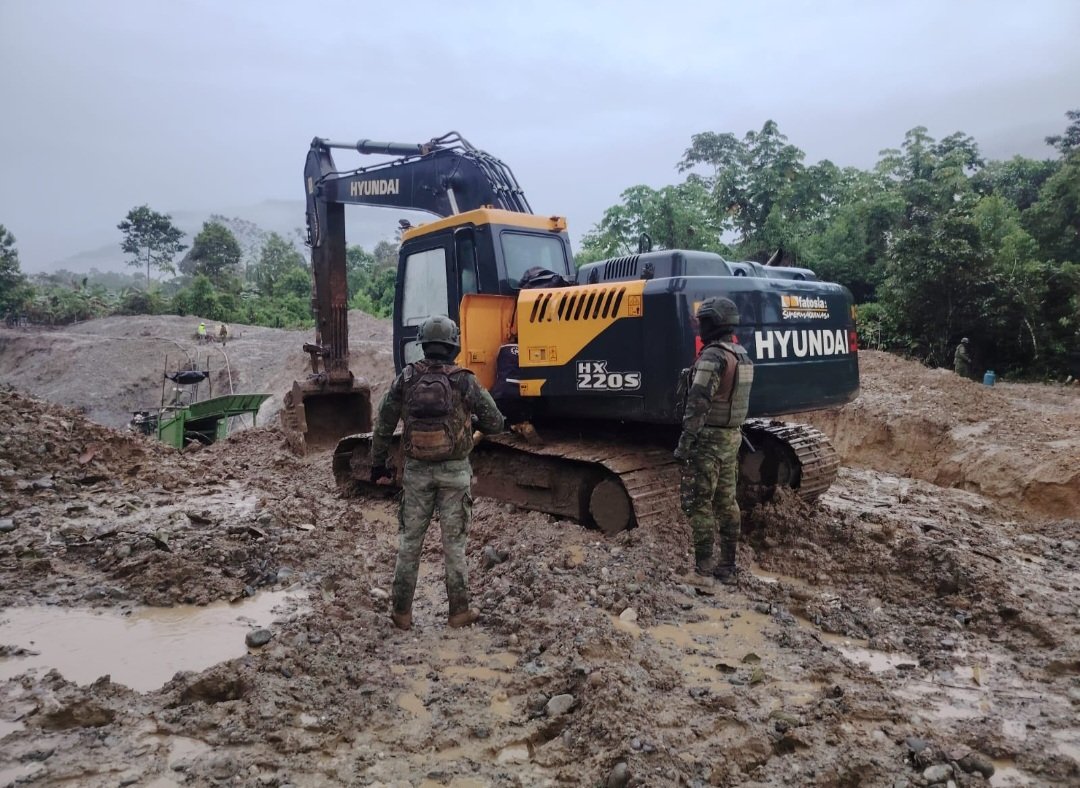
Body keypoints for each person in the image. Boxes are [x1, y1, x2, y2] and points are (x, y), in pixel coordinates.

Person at [370, 315, 505, 631]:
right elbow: (496, 423)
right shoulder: (464, 380)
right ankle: (459, 612)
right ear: (453, 344)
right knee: (454, 547)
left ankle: (401, 613)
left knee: (409, 544)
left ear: (423, 344)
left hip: (416, 474)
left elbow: (384, 423)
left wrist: (377, 462)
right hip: (455, 475)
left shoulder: (406, 378)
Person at [674, 297, 755, 586]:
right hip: (732, 437)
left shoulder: (713, 356)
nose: (700, 328)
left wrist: (685, 443)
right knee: (727, 503)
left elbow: (698, 403)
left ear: (714, 323)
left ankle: (702, 571)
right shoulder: (741, 354)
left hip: (707, 440)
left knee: (699, 504)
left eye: (704, 322)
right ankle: (728, 567)